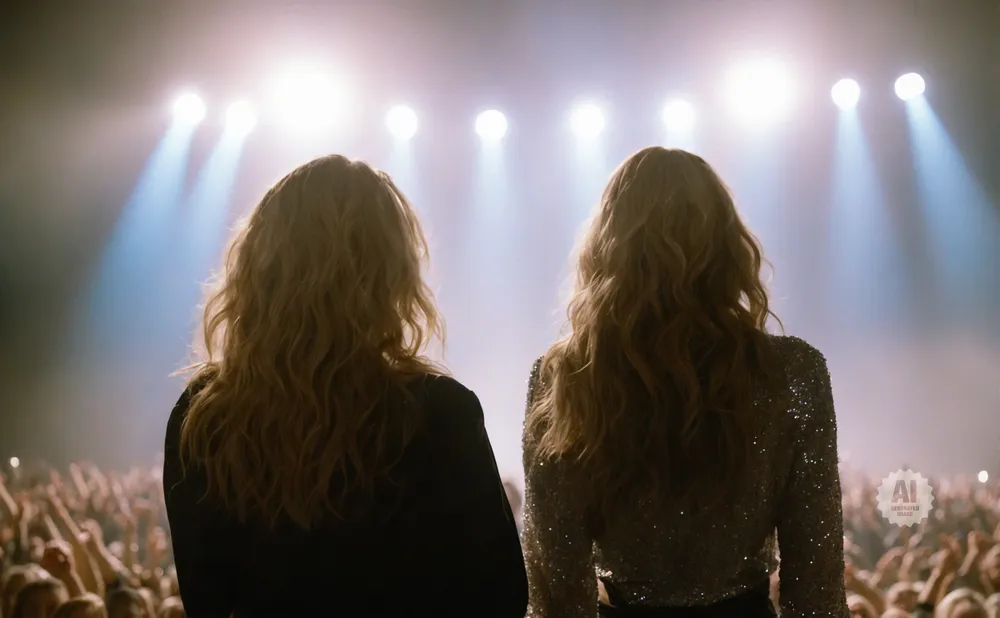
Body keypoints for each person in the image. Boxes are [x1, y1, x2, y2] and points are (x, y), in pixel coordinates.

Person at [163, 155, 527, 617]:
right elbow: (501, 596)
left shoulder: (203, 416)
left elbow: (205, 599)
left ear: (259, 267)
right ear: (390, 274)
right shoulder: (440, 412)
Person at [521, 147, 848, 617]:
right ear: (727, 244)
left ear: (608, 248)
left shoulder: (566, 377)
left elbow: (557, 586)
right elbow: (816, 585)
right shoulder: (792, 372)